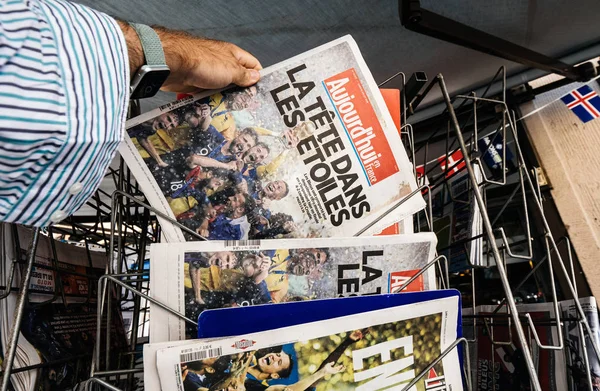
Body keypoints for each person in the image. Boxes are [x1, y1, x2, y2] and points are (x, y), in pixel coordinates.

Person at [0, 0, 261, 227]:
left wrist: (163, 58)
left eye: (251, 151)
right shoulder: (217, 134)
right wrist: (163, 56)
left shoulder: (220, 149)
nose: (245, 148)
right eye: (249, 144)